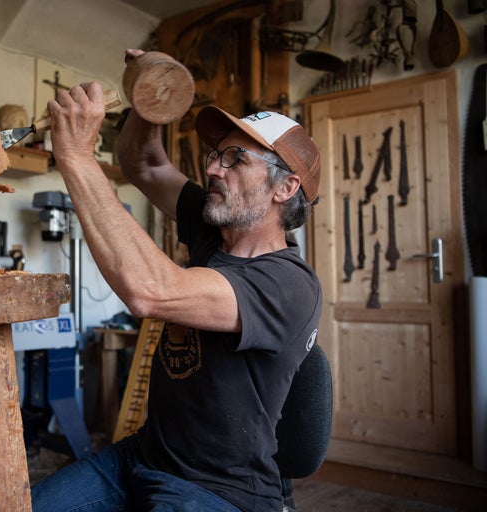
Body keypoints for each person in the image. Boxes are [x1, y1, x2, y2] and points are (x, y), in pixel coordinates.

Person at [31, 48, 323, 512]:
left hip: (217, 491)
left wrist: (76, 155)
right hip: (142, 457)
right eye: (215, 155)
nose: (212, 168)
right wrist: (151, 94)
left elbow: (151, 291)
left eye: (233, 159)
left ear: (284, 188)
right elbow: (145, 165)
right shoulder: (216, 230)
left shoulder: (289, 285)